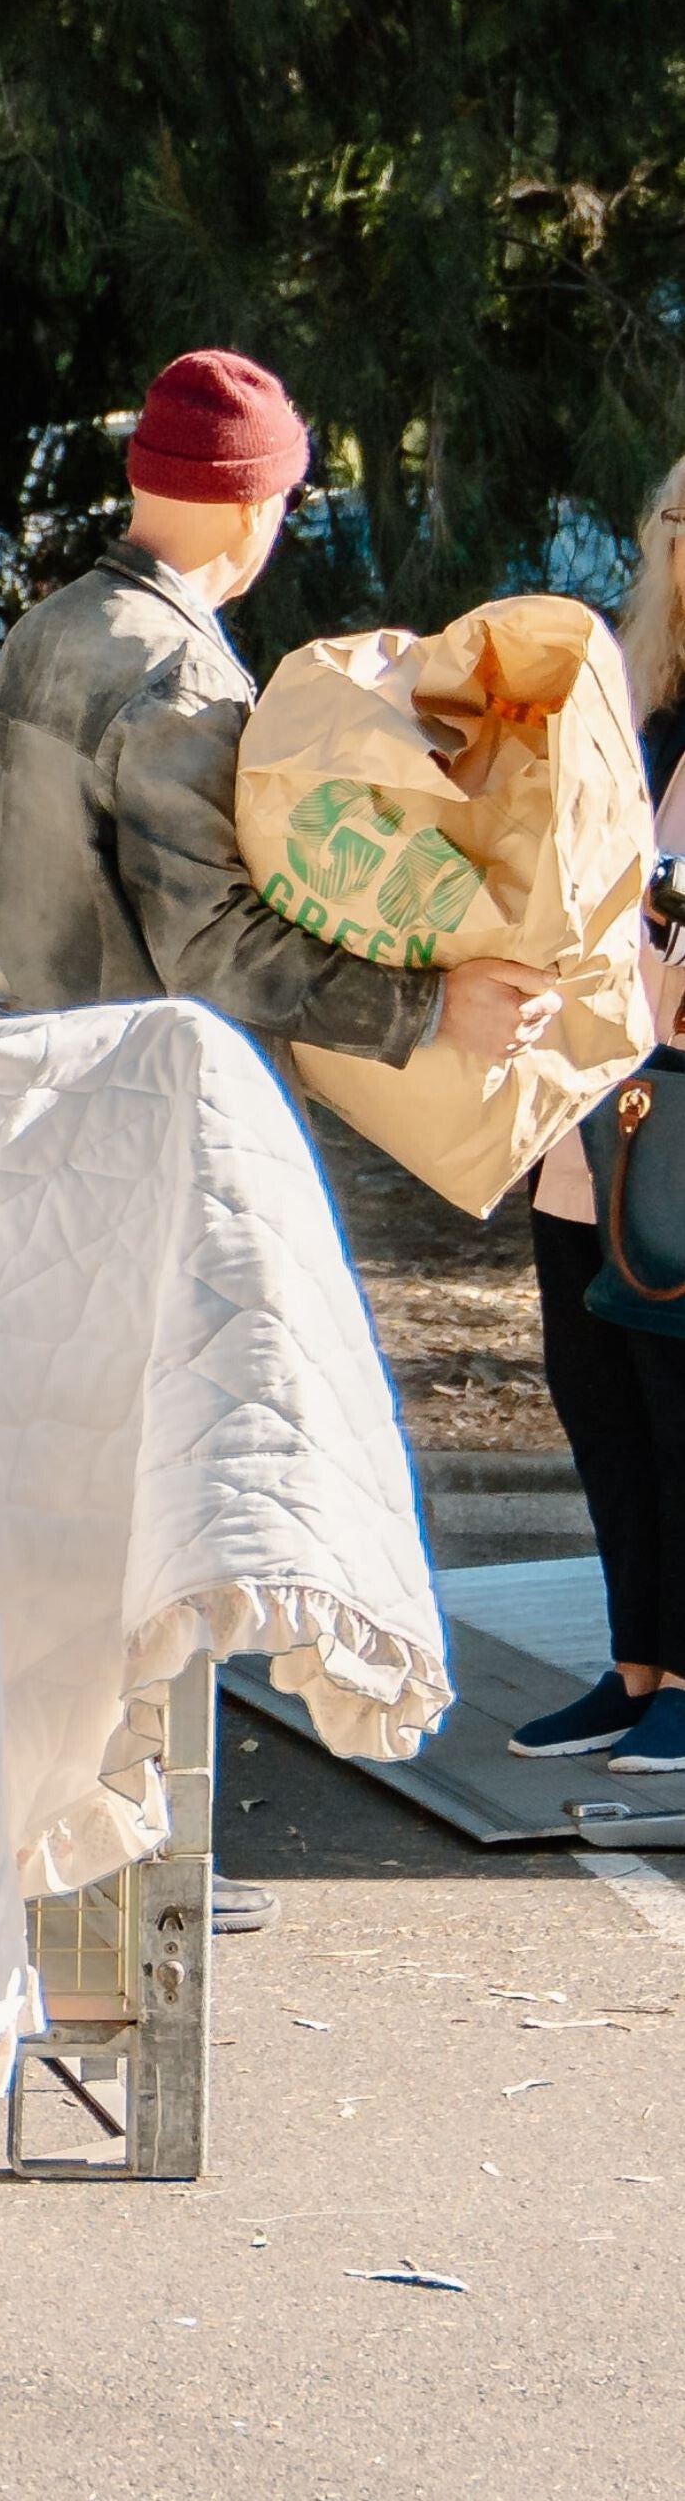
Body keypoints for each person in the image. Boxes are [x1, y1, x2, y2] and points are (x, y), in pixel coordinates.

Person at [0, 351, 549, 1070]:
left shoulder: (44, 629)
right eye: (291, 499)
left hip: (19, 1076)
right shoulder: (177, 674)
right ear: (252, 504)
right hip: (135, 1109)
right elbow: (210, 946)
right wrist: (428, 1007)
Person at [516, 448, 685, 1777]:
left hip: (673, 1117)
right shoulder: (638, 706)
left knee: (678, 1400)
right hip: (590, 1107)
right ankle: (634, 1664)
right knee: (597, 1392)